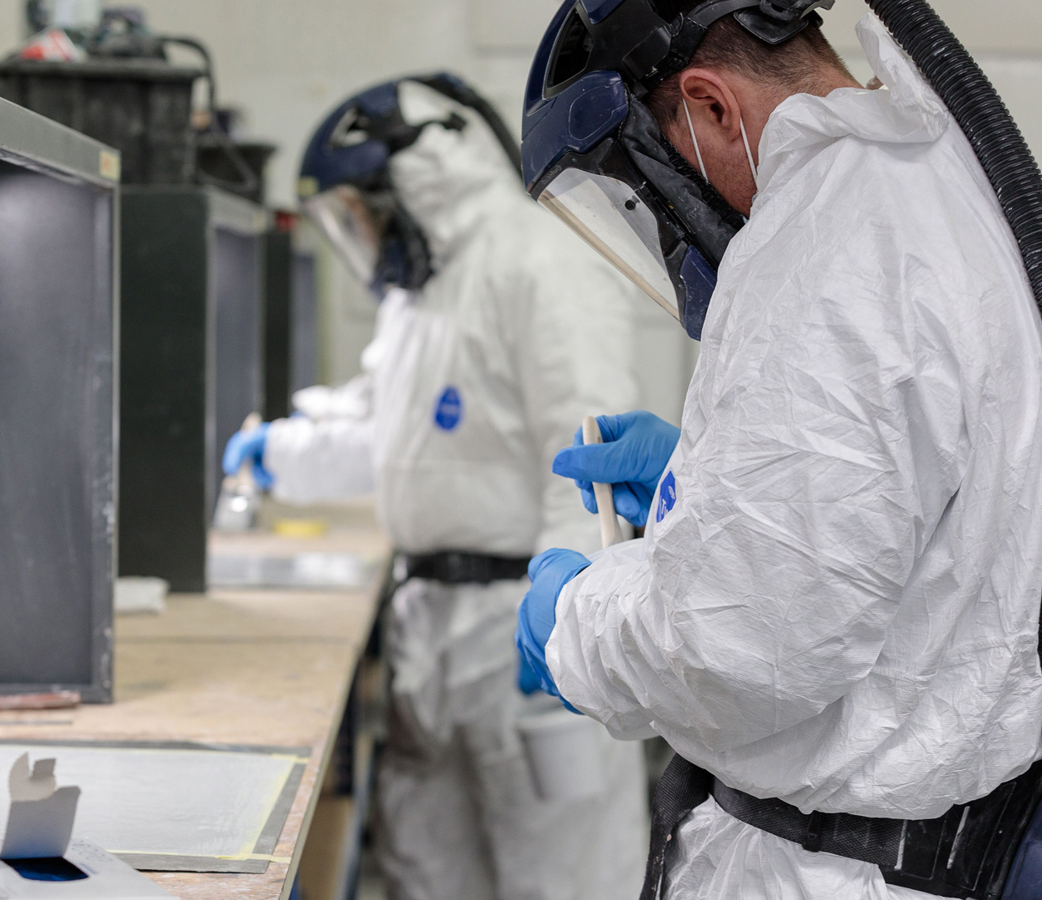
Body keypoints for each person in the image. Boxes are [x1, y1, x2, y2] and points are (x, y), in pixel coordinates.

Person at [514, 1, 1042, 898]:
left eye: (651, 178)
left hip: (833, 868)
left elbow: (739, 648)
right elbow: (915, 505)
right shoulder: (929, 180)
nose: (675, 220)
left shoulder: (828, 242)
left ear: (713, 106)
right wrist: (701, 486)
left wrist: (574, 619)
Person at [224, 74, 649, 900]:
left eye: (364, 210)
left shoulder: (539, 259)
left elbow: (586, 457)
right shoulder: (420, 298)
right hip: (431, 634)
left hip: (521, 629)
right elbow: (395, 439)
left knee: (562, 878)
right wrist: (286, 452)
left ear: (415, 173)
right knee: (425, 870)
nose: (367, 237)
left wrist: (570, 621)